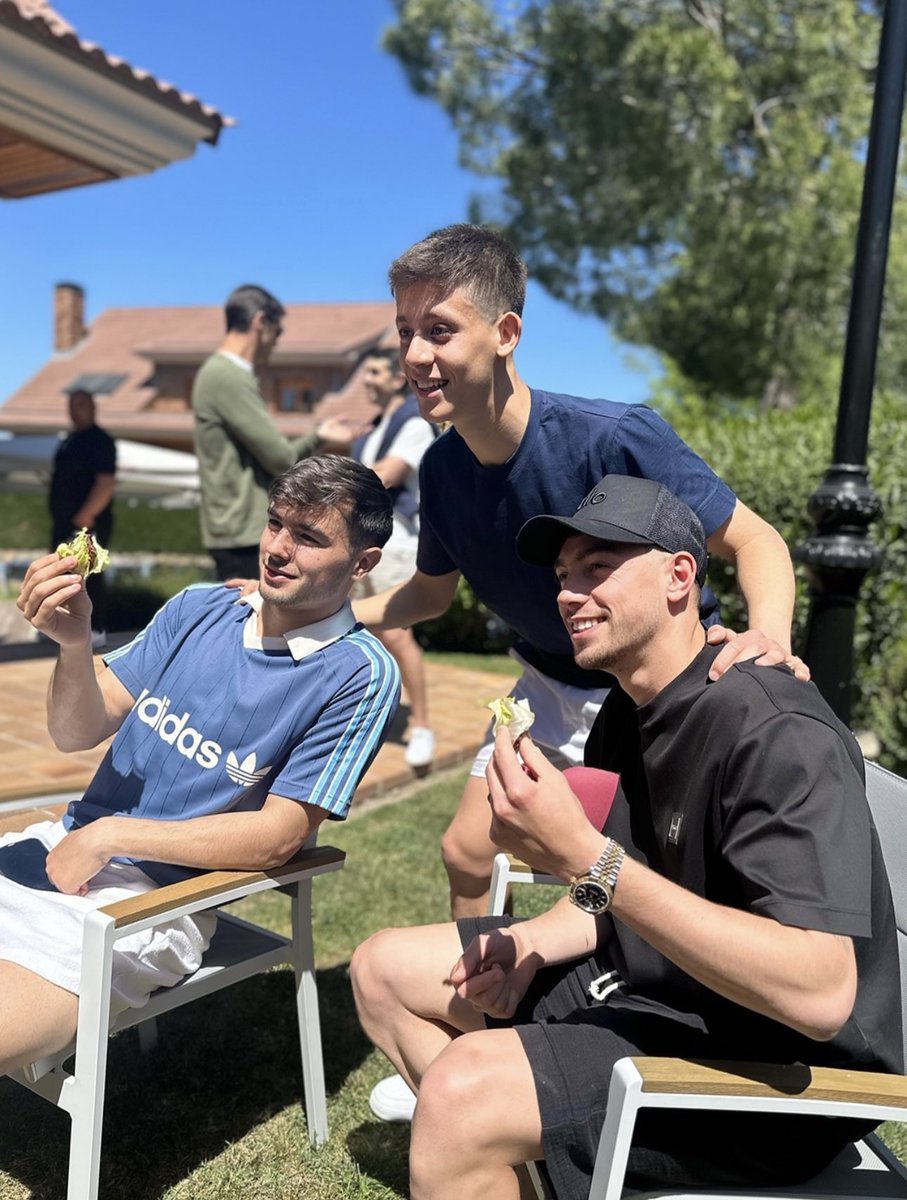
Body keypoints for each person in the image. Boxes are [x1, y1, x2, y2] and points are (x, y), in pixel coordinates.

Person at [351, 474, 901, 1200]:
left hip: (781, 1075)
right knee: (381, 969)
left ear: (680, 576)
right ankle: (514, 1157)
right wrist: (534, 944)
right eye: (562, 575)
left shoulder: (772, 730)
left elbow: (820, 993)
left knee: (460, 1093)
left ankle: (489, 1136)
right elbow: (606, 893)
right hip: (660, 988)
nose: (568, 593)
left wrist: (584, 854)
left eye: (597, 568)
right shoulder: (627, 709)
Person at [353, 223, 805, 926]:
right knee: (467, 854)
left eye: (439, 330)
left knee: (634, 885)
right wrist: (322, 616)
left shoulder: (614, 436)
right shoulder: (440, 471)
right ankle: (488, 1015)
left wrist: (769, 634)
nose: (414, 354)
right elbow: (428, 594)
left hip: (657, 688)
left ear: (505, 332)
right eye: (404, 330)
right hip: (543, 688)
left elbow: (755, 540)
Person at [1, 455, 400, 1076]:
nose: (277, 549)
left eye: (310, 537)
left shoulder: (358, 673)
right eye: (275, 524)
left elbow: (279, 838)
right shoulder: (200, 608)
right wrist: (74, 644)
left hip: (155, 904)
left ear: (363, 562)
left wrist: (113, 835)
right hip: (60, 851)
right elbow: (75, 729)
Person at [192, 283, 356, 581]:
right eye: (277, 333)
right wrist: (318, 435)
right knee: (254, 622)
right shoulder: (226, 376)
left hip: (233, 528)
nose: (276, 343)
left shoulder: (221, 374)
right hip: (241, 531)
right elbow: (280, 459)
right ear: (260, 321)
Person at [351, 347, 437, 769]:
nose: (366, 380)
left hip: (396, 542)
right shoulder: (374, 427)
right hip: (365, 544)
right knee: (362, 631)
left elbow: (388, 473)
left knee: (397, 634)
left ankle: (421, 725)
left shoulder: (414, 419)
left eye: (373, 372)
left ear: (396, 378)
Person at [49, 388, 116, 648]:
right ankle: (64, 628)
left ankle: (94, 629)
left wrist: (85, 516)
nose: (74, 410)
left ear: (92, 407)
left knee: (89, 576)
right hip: (65, 523)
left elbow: (106, 482)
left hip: (86, 525)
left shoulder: (99, 441)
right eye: (71, 405)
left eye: (79, 405)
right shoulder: (70, 440)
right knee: (62, 576)